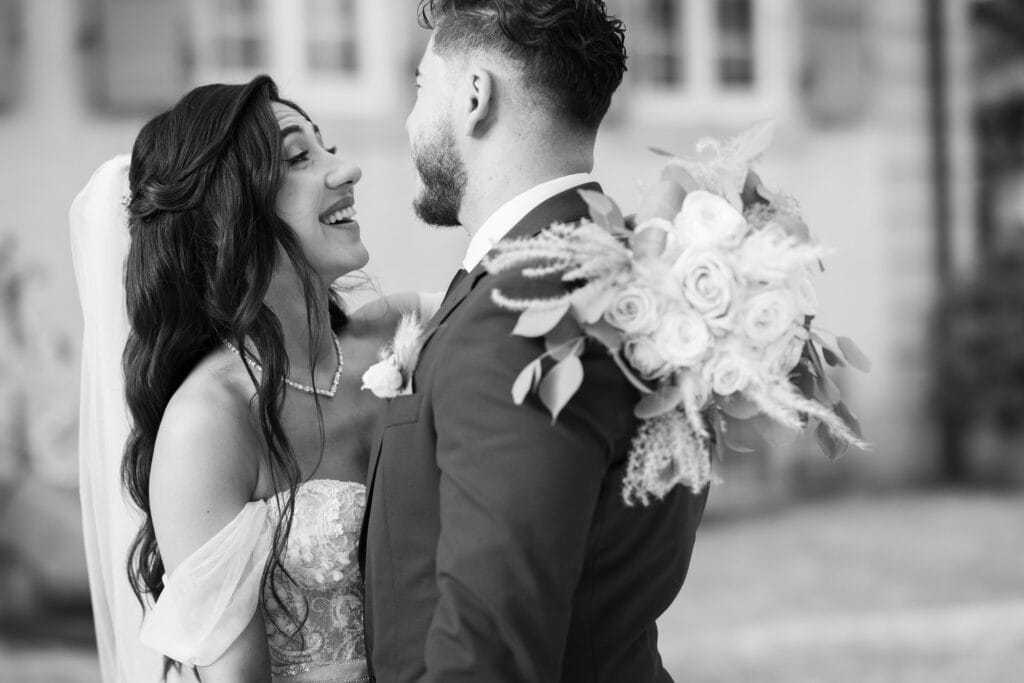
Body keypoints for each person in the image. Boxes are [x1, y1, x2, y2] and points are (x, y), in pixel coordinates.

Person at [359, 1, 709, 681]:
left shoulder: (519, 312)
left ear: (473, 96)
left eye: (420, 87)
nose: (410, 119)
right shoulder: (633, 275)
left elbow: (490, 650)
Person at [72, 75, 430, 682]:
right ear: (229, 211)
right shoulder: (208, 425)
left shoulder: (405, 333)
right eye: (299, 158)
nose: (346, 171)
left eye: (327, 147)